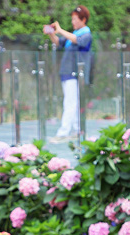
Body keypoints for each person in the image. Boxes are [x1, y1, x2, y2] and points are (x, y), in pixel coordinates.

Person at [46, 5, 92, 144]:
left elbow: (77, 40)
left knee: (70, 103)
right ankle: (77, 130)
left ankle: (64, 132)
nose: (73, 22)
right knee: (73, 102)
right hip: (67, 72)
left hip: (76, 73)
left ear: (83, 20)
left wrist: (60, 30)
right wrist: (51, 33)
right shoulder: (73, 35)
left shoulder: (85, 35)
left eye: (75, 19)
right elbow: (58, 42)